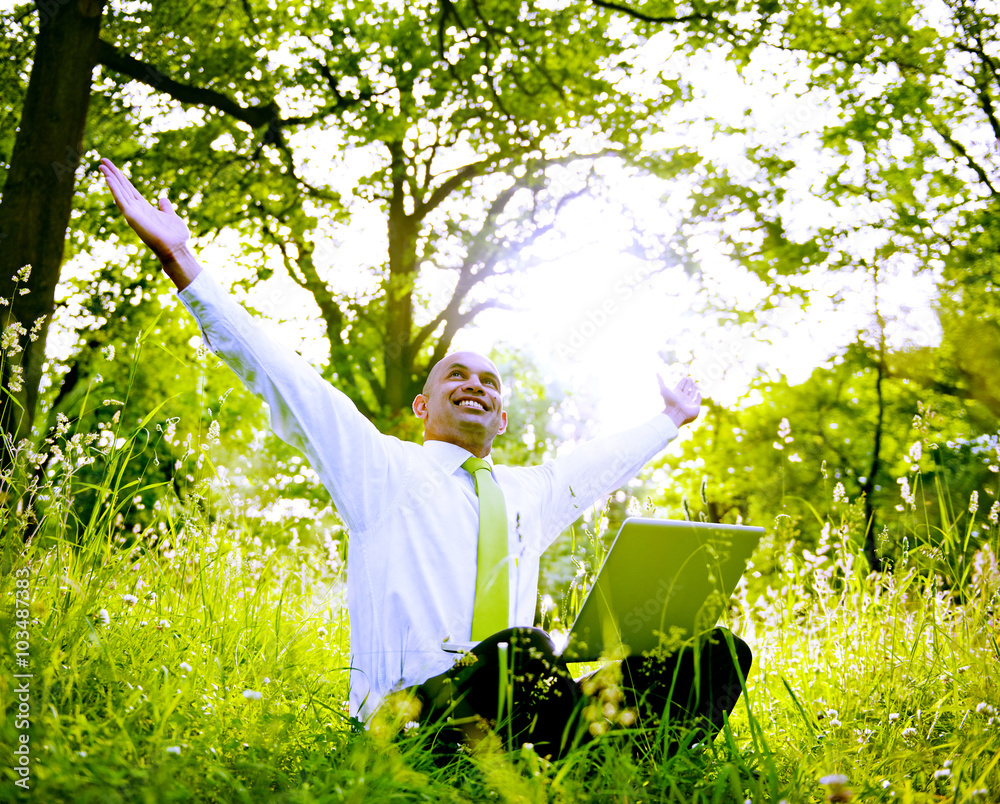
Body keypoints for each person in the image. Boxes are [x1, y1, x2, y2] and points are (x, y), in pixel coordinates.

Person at [100, 157, 752, 759]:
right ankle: (570, 758)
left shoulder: (531, 493)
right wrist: (182, 258)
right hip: (411, 720)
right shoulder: (380, 470)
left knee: (716, 653)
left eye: (490, 383)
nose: (474, 383)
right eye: (455, 376)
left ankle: (600, 766)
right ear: (421, 406)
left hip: (516, 705)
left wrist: (671, 419)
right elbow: (285, 379)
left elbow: (598, 467)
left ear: (502, 418)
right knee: (521, 652)